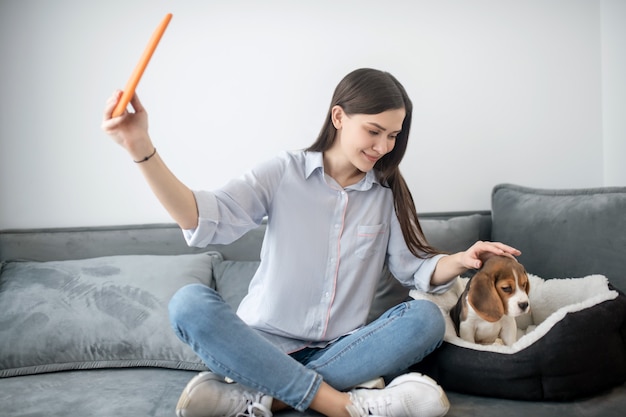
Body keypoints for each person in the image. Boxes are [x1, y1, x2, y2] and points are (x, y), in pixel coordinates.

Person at [101, 68, 520, 417]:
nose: (383, 147)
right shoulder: (282, 172)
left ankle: (262, 399)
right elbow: (202, 217)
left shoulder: (387, 192)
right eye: (374, 131)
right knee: (188, 304)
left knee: (425, 320)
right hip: (260, 346)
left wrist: (462, 259)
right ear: (338, 117)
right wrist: (140, 147)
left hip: (345, 349)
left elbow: (417, 269)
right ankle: (344, 404)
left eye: (393, 136)